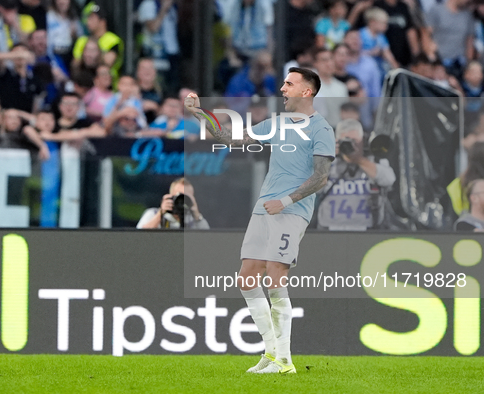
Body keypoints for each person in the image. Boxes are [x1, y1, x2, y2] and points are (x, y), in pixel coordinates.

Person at [185, 67, 336, 374]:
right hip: (265, 207)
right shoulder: (278, 123)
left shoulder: (321, 129)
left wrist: (287, 200)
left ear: (307, 92)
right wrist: (200, 112)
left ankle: (285, 360)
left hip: (291, 210)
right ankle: (271, 352)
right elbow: (231, 139)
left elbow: (321, 177)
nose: (282, 89)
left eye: (289, 84)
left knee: (276, 273)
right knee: (246, 277)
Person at [317, 119, 395, 230]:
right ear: (337, 141)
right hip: (330, 229)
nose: (351, 145)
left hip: (367, 229)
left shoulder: (374, 160)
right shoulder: (327, 161)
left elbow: (389, 179)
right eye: (346, 141)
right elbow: (311, 188)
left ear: (363, 140)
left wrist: (360, 160)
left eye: (355, 140)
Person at [136, 177, 209, 229]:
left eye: (186, 197)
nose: (182, 200)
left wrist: (197, 215)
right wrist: (160, 214)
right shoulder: (153, 213)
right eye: (180, 196)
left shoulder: (194, 220)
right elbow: (138, 237)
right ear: (170, 196)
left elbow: (208, 241)